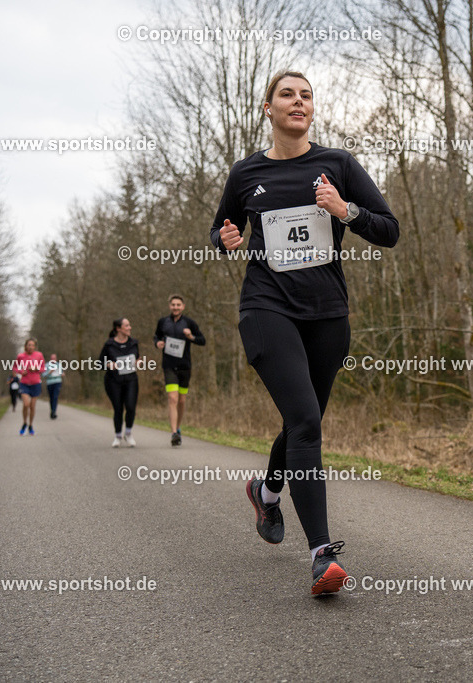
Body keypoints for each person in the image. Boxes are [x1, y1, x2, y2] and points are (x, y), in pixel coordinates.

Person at [211, 70, 399, 595]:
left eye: (306, 95)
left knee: (305, 422)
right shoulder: (245, 173)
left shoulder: (337, 165)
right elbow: (221, 227)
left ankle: (267, 491)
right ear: (267, 108)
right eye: (287, 95)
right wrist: (224, 237)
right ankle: (321, 554)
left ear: (312, 110)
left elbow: (390, 230)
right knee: (305, 421)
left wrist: (347, 211)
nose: (299, 101)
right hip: (266, 307)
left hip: (327, 314)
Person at [153, 295, 205, 446]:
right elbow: (156, 336)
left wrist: (191, 336)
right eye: (173, 305)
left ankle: (178, 427)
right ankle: (174, 433)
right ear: (169, 306)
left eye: (178, 305)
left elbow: (203, 341)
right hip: (169, 366)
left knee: (181, 401)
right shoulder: (163, 322)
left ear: (183, 306)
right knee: (172, 399)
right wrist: (158, 343)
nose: (175, 307)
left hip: (185, 367)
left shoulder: (189, 322)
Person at [100, 318, 139, 447]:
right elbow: (100, 363)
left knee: (131, 407)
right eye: (127, 325)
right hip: (113, 381)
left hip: (131, 380)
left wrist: (139, 362)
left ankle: (128, 433)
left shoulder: (133, 343)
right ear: (118, 328)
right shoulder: (109, 344)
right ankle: (118, 435)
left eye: (129, 325)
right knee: (118, 409)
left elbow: (137, 357)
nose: (130, 327)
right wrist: (108, 364)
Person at [15, 339, 44, 435]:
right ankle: (24, 423)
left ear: (35, 347)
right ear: (26, 346)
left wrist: (36, 369)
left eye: (32, 345)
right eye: (29, 345)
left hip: (36, 383)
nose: (30, 347)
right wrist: (21, 372)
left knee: (32, 406)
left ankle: (30, 425)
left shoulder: (39, 355)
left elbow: (43, 368)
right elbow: (15, 367)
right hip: (24, 383)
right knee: (26, 404)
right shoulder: (21, 356)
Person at [42, 353, 64, 419]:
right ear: (50, 359)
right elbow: (43, 375)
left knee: (55, 397)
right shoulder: (46, 365)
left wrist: (62, 374)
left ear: (56, 359)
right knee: (51, 397)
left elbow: (61, 372)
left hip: (58, 382)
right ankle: (52, 410)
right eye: (52, 358)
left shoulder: (58, 364)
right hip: (50, 382)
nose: (53, 360)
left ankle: (54, 411)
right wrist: (50, 372)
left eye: (54, 358)